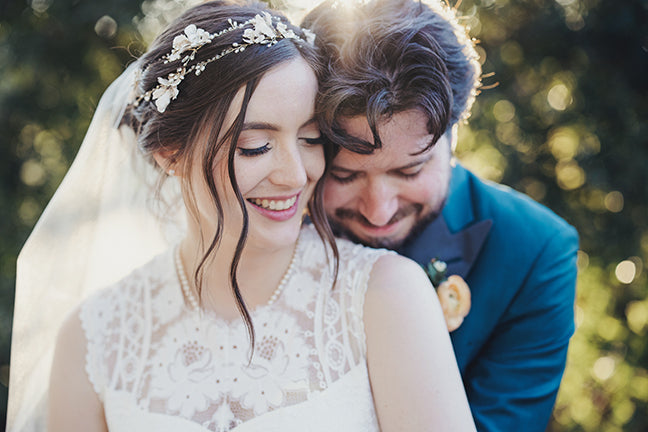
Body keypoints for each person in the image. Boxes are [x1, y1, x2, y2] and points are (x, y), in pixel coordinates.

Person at [7, 1, 477, 431]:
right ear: (171, 152)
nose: (295, 175)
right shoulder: (93, 338)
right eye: (256, 146)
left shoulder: (386, 294)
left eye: (312, 140)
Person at [302, 0, 580, 430]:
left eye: (409, 170)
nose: (379, 211)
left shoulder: (536, 251)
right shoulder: (274, 227)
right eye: (345, 175)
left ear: (455, 135)